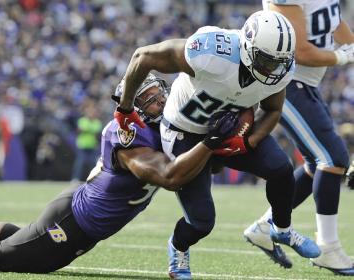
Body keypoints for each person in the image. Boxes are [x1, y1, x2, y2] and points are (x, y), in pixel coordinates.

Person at [0, 74, 236, 273]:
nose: (160, 102)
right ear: (133, 108)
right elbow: (169, 177)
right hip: (73, 220)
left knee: (21, 239)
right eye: (149, 99)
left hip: (77, 216)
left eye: (160, 94)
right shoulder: (129, 135)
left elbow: (207, 166)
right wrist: (210, 142)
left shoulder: (163, 130)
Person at [114, 10, 321, 279]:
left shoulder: (281, 69)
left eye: (279, 63)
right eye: (267, 61)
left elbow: (272, 110)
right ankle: (178, 247)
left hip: (230, 130)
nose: (272, 69)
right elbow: (143, 56)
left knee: (281, 169)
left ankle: (280, 229)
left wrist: (247, 140)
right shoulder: (212, 51)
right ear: (248, 45)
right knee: (201, 222)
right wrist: (126, 107)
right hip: (184, 133)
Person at [243, 0, 354, 275]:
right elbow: (298, 49)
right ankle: (328, 248)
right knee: (332, 158)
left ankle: (266, 226)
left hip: (307, 84)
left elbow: (333, 22)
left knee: (316, 163)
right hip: (284, 82)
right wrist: (344, 57)